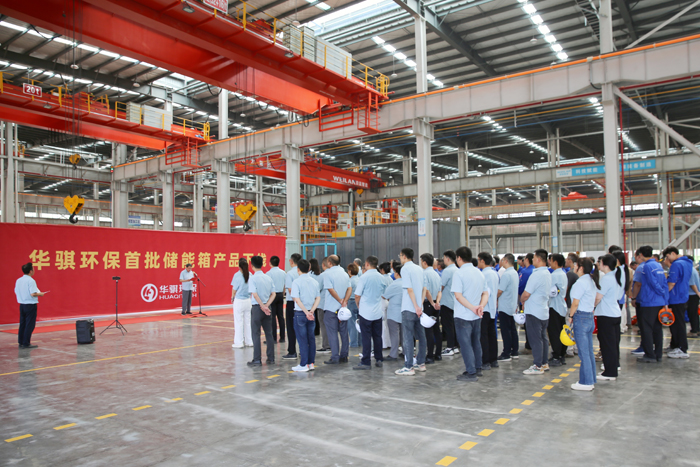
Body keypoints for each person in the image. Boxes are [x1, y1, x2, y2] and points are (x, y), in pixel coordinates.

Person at [452, 246, 489, 382]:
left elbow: (458, 296)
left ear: (459, 258)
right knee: (475, 342)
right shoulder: (479, 273)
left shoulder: (459, 273)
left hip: (463, 315)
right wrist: (480, 306)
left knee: (465, 344)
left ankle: (471, 372)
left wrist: (473, 308)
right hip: (476, 315)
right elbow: (485, 293)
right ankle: (477, 368)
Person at [568, 257, 600, 390]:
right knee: (588, 351)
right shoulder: (591, 280)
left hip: (580, 317)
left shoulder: (580, 283)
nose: (574, 267)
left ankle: (586, 382)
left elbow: (575, 303)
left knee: (583, 353)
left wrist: (571, 316)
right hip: (589, 317)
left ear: (580, 268)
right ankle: (590, 379)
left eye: (576, 265)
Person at [395, 248, 428, 376]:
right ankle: (421, 363)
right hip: (419, 309)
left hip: (409, 308)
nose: (400, 258)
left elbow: (409, 289)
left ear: (404, 256)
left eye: (400, 255)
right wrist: (420, 305)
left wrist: (415, 306)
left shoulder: (405, 269)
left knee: (408, 338)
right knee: (421, 337)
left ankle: (409, 366)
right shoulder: (419, 269)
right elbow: (424, 288)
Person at [520, 249, 552, 375]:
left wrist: (522, 300)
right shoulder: (547, 273)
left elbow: (526, 294)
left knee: (536, 339)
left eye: (533, 258)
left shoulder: (536, 274)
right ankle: (544, 363)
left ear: (538, 259)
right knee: (543, 338)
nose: (532, 260)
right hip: (543, 310)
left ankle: (537, 365)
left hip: (534, 311)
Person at [354, 256, 388, 370]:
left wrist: (358, 305)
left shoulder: (364, 277)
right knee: (377, 336)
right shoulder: (381, 277)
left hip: (365, 312)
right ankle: (379, 359)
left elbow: (357, 295)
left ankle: (366, 361)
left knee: (366, 337)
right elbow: (384, 294)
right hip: (377, 312)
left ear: (367, 264)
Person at [636, 246, 668, 363]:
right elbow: (664, 282)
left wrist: (660, 291)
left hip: (649, 301)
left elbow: (652, 283)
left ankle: (650, 354)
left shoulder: (647, 266)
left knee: (646, 329)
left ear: (641, 255)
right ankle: (658, 354)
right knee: (657, 329)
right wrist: (665, 299)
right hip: (659, 301)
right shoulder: (658, 265)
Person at [290, 259, 321, 372]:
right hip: (311, 314)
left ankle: (303, 364)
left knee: (302, 340)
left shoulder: (296, 282)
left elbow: (296, 299)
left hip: (300, 314)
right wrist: (311, 311)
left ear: (298, 269)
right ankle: (311, 363)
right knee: (311, 339)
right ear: (309, 268)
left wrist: (305, 312)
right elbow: (318, 298)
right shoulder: (314, 282)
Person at [595, 254, 622, 380]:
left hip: (606, 314)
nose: (598, 264)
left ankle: (610, 372)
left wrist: (591, 306)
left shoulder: (606, 279)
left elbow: (598, 297)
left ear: (604, 265)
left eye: (600, 262)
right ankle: (614, 367)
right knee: (613, 344)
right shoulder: (616, 276)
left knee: (607, 345)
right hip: (614, 313)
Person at [322, 255, 352, 364]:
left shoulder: (328, 274)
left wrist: (339, 300)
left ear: (329, 263)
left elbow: (330, 290)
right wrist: (345, 301)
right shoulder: (345, 273)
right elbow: (349, 288)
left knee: (332, 333)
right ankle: (344, 355)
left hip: (331, 308)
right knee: (344, 332)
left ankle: (335, 357)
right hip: (343, 309)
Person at [663, 246, 692, 359]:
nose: (668, 259)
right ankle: (674, 345)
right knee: (676, 323)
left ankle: (682, 348)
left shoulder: (676, 264)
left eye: (668, 256)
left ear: (673, 253)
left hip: (675, 297)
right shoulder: (687, 263)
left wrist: (665, 295)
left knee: (678, 324)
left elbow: (672, 283)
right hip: (683, 295)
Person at [248, 256, 276, 367]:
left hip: (257, 308)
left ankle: (257, 359)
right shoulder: (268, 278)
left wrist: (262, 306)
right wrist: (266, 305)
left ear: (252, 265)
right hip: (268, 309)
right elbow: (273, 294)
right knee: (269, 334)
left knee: (256, 334)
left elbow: (254, 294)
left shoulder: (253, 278)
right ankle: (271, 358)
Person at [15, 262, 45, 349]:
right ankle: (26, 343)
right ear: (30, 271)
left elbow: (16, 291)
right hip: (30, 305)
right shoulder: (31, 281)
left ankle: (21, 341)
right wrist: (40, 294)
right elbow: (33, 293)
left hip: (22, 305)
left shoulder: (19, 280)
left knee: (22, 323)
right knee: (30, 324)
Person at [477, 252, 499, 369]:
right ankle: (493, 360)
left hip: (484, 308)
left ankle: (485, 361)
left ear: (482, 261)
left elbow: (483, 292)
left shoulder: (483, 275)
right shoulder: (495, 273)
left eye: (478, 260)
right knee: (492, 334)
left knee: (483, 335)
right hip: (492, 308)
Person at [497, 254, 519, 361]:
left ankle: (506, 353)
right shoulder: (514, 273)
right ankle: (514, 351)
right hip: (512, 305)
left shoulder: (506, 274)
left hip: (505, 306)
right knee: (512, 329)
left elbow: (500, 291)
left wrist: (494, 298)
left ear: (506, 261)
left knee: (505, 331)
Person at [421, 253, 442, 364]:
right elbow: (439, 291)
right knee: (436, 329)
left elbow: (426, 291)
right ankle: (438, 354)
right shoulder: (436, 274)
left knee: (428, 330)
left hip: (428, 304)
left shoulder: (424, 274)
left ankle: (429, 356)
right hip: (435, 304)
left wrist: (432, 303)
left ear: (424, 262)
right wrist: (437, 302)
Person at [547, 254, 568, 367]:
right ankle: (561, 355)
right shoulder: (563, 274)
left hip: (554, 306)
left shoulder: (554, 275)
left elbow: (549, 291)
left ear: (555, 262)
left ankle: (556, 356)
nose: (549, 263)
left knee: (554, 333)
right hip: (561, 306)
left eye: (550, 261)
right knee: (561, 332)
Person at [438, 250, 459, 357]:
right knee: (454, 325)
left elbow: (441, 286)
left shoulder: (447, 271)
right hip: (455, 302)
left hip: (446, 302)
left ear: (447, 258)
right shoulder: (457, 270)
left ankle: (450, 347)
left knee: (448, 326)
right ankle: (455, 346)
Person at [283, 253, 302, 360]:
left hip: (292, 302)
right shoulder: (304, 272)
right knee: (302, 328)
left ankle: (292, 351)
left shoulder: (290, 274)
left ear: (291, 261)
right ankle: (303, 350)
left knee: (291, 327)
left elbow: (290, 290)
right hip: (303, 302)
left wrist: (296, 301)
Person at [231, 258, 253, 348]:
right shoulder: (250, 274)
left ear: (239, 267)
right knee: (248, 322)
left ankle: (239, 342)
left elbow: (234, 290)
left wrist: (232, 297)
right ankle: (249, 341)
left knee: (238, 322)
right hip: (248, 300)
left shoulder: (237, 275)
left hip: (239, 301)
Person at [383, 265, 403, 361]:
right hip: (404, 312)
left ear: (397, 274)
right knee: (404, 334)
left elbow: (385, 295)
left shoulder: (394, 284)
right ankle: (405, 352)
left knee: (394, 334)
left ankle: (393, 354)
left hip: (394, 312)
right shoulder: (408, 283)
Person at [311, 258, 330, 352]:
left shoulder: (322, 276)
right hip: (333, 304)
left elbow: (317, 289)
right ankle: (332, 345)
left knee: (323, 325)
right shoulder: (337, 274)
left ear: (323, 265)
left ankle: (326, 346)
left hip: (323, 304)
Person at [266, 256, 287, 344]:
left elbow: (267, 287)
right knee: (281, 316)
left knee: (272, 317)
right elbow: (285, 285)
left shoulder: (268, 274)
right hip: (280, 295)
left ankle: (273, 338)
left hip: (272, 295)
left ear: (270, 263)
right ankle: (282, 337)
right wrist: (282, 294)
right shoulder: (283, 273)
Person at [518, 253, 534, 354]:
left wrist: (521, 299)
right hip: (535, 303)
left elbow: (521, 286)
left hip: (526, 301)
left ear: (527, 260)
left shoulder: (526, 272)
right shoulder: (535, 271)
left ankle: (529, 346)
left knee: (528, 325)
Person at [347, 263, 361, 347]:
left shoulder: (349, 281)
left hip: (351, 301)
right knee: (360, 323)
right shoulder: (360, 279)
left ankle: (353, 343)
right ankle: (361, 342)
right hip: (360, 302)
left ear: (349, 271)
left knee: (352, 323)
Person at [686, 256, 700, 338]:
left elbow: (692, 284)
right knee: (694, 313)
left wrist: (698, 293)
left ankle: (694, 331)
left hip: (692, 295)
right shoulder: (693, 269)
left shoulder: (690, 270)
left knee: (692, 314)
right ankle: (697, 330)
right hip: (694, 294)